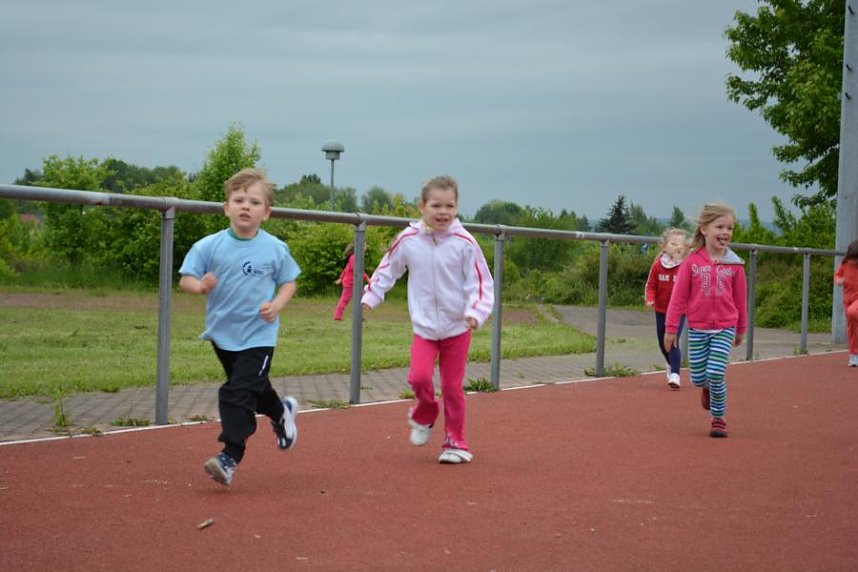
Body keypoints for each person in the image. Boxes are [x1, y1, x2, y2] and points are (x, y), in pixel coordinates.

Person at [178, 167, 302, 486]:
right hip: (223, 336)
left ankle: (230, 455)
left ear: (267, 212)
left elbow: (289, 282)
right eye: (239, 199)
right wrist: (199, 286)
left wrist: (276, 304)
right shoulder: (210, 246)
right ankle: (281, 413)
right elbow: (185, 279)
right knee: (254, 389)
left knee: (236, 391)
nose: (246, 206)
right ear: (227, 207)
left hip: (259, 334)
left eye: (255, 202)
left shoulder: (274, 248)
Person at [361, 175, 494, 464]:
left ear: (457, 208)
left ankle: (455, 442)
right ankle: (425, 412)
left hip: (457, 327)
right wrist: (371, 297)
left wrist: (476, 312)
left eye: (450, 206)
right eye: (436, 205)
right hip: (424, 328)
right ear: (422, 206)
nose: (443, 212)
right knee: (419, 377)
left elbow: (480, 283)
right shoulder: (408, 240)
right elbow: (387, 269)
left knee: (451, 387)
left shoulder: (465, 243)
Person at [664, 203, 747, 438]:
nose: (726, 233)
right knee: (699, 376)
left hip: (725, 327)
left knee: (716, 372)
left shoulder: (735, 264)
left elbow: (741, 300)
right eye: (720, 227)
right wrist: (671, 329)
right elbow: (678, 298)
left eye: (729, 228)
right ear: (704, 230)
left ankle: (718, 417)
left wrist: (740, 328)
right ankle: (707, 388)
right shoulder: (691, 263)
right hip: (698, 329)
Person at [644, 228, 690, 389]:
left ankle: (676, 374)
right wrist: (650, 300)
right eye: (673, 243)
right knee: (663, 342)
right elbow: (650, 286)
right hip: (661, 310)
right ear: (664, 246)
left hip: (679, 311)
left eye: (681, 245)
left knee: (673, 340)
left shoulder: (685, 266)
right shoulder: (658, 266)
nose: (677, 247)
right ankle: (670, 364)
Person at [834, 239, 858, 366]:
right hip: (847, 299)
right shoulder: (845, 264)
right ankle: (854, 355)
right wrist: (839, 280)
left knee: (853, 312)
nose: (855, 261)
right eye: (853, 258)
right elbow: (837, 275)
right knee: (851, 329)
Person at [333, 241, 370, 321]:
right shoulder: (354, 257)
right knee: (344, 300)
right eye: (365, 245)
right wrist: (367, 278)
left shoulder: (357, 256)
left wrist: (341, 278)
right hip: (350, 283)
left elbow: (347, 268)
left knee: (361, 299)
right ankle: (337, 316)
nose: (366, 247)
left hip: (355, 282)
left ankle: (359, 316)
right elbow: (357, 270)